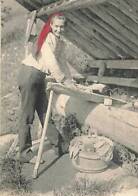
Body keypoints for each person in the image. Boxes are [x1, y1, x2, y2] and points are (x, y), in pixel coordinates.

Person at [17, 12, 74, 163]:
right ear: (51, 25)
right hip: (29, 75)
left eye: (62, 27)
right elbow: (51, 61)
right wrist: (62, 79)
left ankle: (60, 145)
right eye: (56, 26)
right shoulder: (47, 39)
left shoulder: (60, 43)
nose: (59, 29)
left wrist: (70, 81)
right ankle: (24, 153)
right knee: (28, 115)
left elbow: (62, 62)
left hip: (39, 77)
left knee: (44, 112)